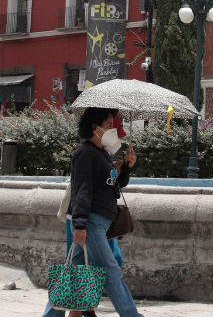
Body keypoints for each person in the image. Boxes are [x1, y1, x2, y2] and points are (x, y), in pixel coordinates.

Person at [42, 108, 142, 317]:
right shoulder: (85, 153)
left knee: (71, 273)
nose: (112, 130)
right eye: (108, 126)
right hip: (92, 223)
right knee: (111, 271)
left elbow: (113, 187)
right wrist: (80, 225)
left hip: (100, 223)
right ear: (94, 128)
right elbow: (82, 191)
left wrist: (127, 167)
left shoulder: (102, 154)